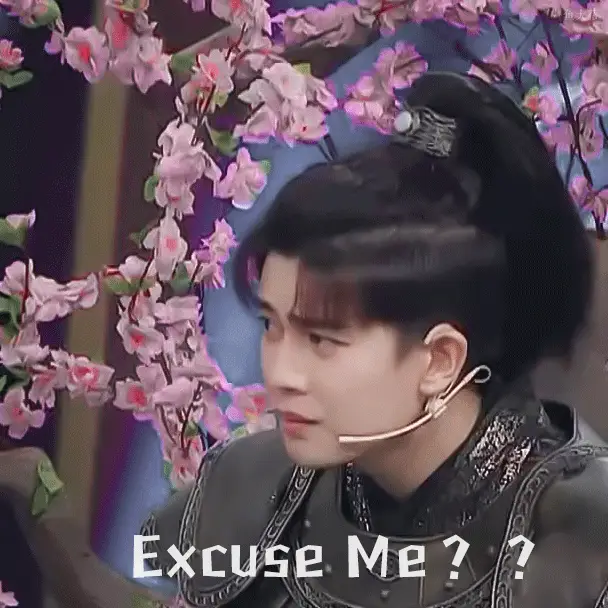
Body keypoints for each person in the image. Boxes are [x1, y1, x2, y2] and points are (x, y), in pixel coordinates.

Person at [140, 71, 608, 608]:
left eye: (322, 340)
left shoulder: (585, 544)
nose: (280, 375)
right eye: (272, 326)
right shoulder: (253, 484)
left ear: (439, 360)